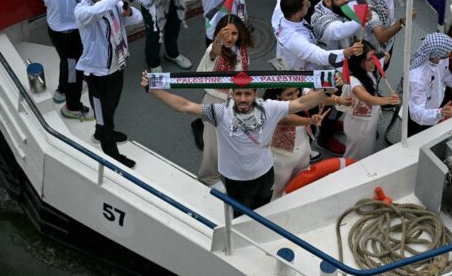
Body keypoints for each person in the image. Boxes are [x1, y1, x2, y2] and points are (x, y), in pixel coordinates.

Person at [142, 75, 333, 216]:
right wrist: (154, 90)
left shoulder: (270, 107)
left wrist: (326, 92)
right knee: (240, 216)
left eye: (247, 94)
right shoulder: (220, 112)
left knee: (264, 210)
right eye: (239, 93)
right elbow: (184, 106)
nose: (243, 98)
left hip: (265, 175)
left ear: (255, 94)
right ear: (231, 94)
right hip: (235, 180)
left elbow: (300, 102)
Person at [75, 0, 143, 168]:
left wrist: (127, 11)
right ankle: (111, 153)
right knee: (103, 114)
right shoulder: (82, 11)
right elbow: (97, 10)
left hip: (117, 64)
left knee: (112, 105)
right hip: (97, 74)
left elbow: (136, 19)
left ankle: (102, 131)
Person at [38, 0, 94, 121]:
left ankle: (62, 91)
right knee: (74, 71)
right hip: (64, 31)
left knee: (66, 62)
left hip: (76, 25)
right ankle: (72, 106)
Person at [193, 14, 252, 190]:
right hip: (214, 102)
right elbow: (214, 52)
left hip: (235, 102)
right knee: (213, 144)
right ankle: (208, 176)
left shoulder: (241, 50)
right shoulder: (214, 48)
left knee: (233, 138)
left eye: (234, 33)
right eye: (224, 33)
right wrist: (217, 40)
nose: (229, 38)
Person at [265, 87, 350, 199]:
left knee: (301, 178)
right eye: (289, 94)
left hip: (303, 148)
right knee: (278, 189)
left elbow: (318, 98)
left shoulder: (301, 92)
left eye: (296, 91)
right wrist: (310, 120)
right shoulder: (269, 107)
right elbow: (285, 119)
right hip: (282, 156)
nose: (295, 97)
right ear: (277, 95)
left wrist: (338, 100)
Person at [343, 40, 400, 160]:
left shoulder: (368, 69)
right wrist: (389, 100)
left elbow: (381, 60)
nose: (374, 62)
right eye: (369, 59)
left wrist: (385, 58)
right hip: (358, 124)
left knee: (367, 149)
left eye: (374, 58)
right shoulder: (353, 81)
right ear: (359, 61)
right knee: (353, 155)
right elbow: (367, 98)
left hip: (370, 117)